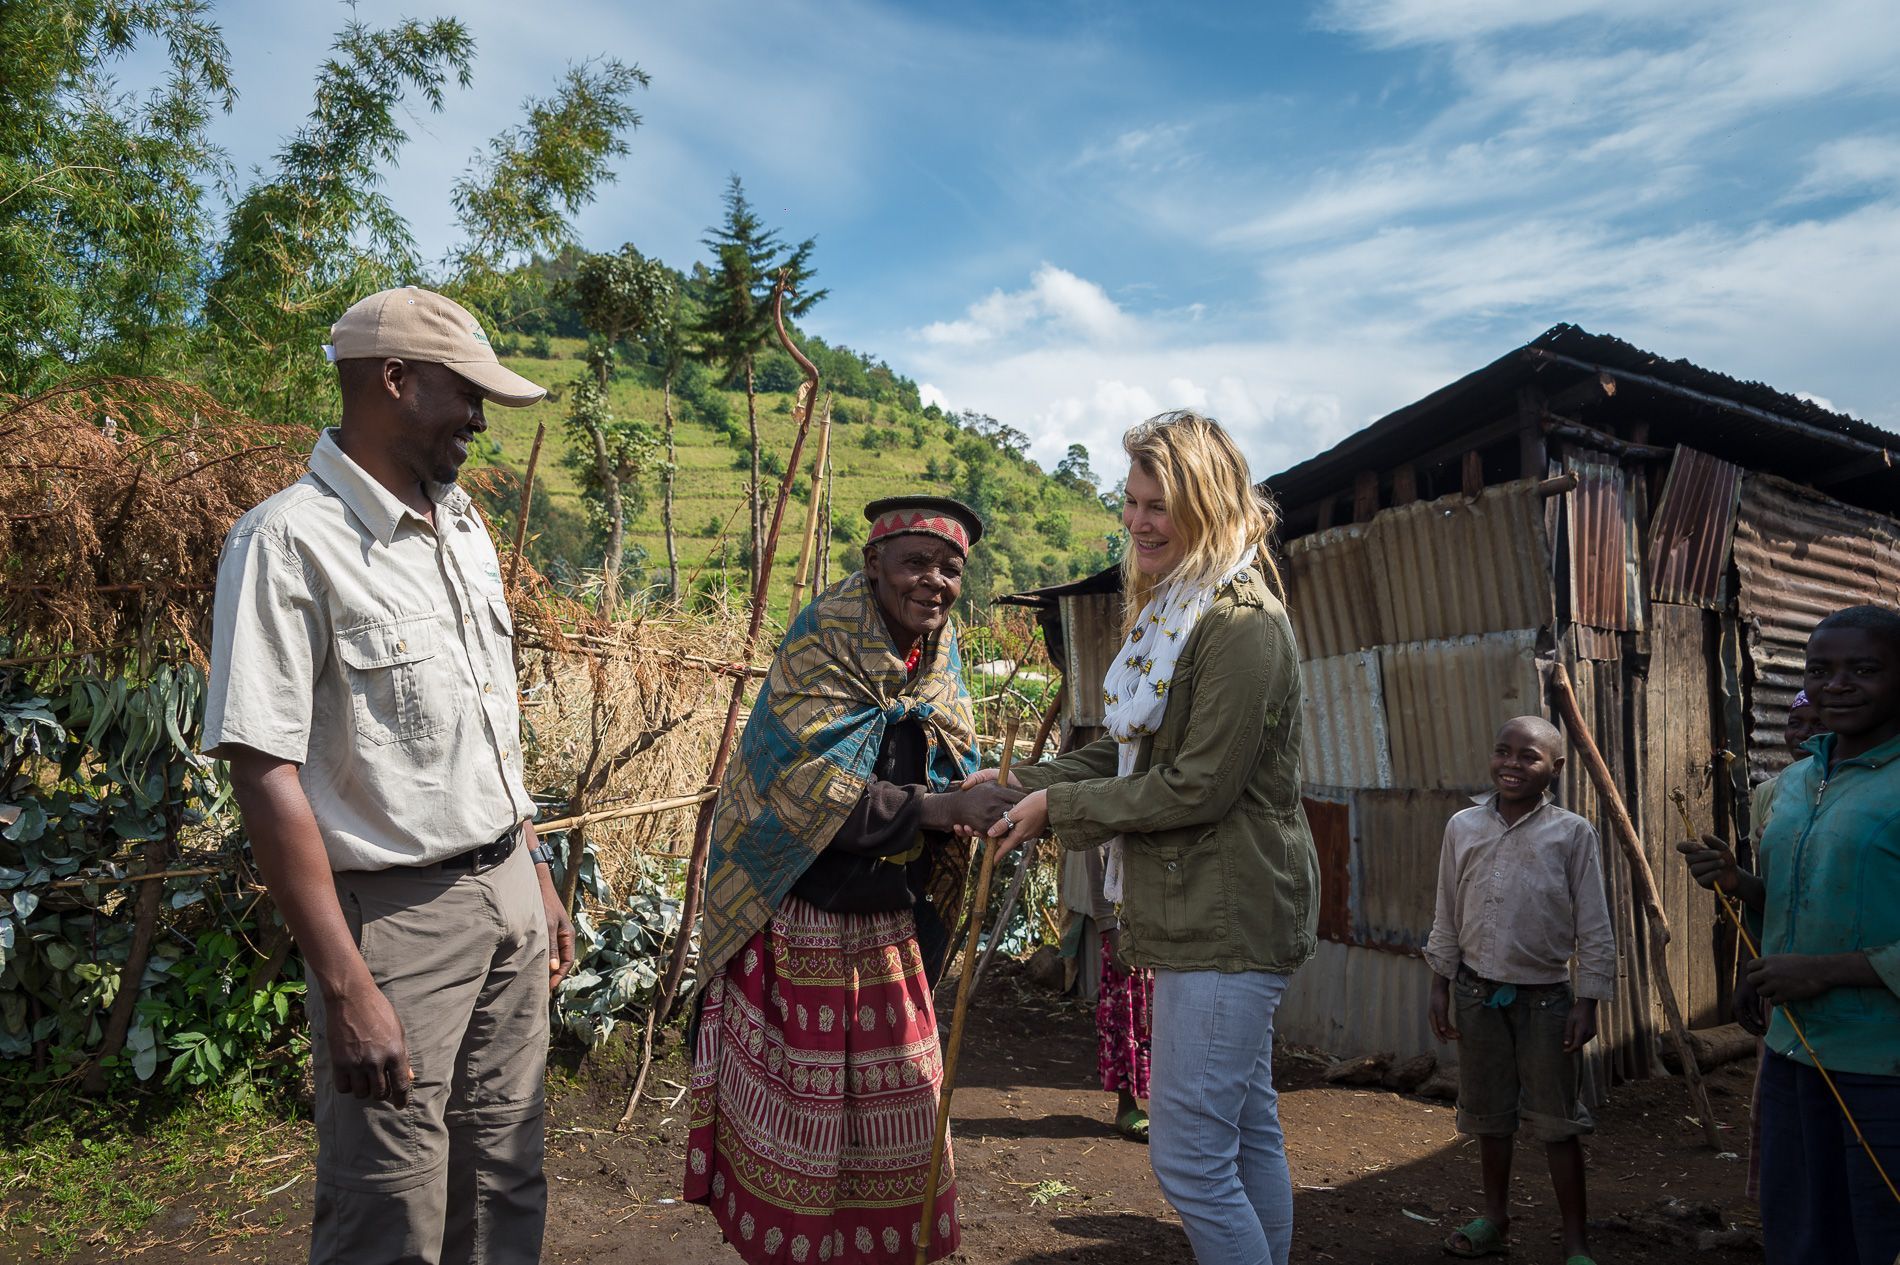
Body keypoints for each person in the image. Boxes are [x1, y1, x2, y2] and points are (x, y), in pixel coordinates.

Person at [204, 286, 573, 1265]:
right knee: (390, 1208)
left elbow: (489, 727)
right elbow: (264, 768)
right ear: (394, 379)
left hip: (506, 895)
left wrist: (531, 867)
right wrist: (345, 982)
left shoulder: (463, 531)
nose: (481, 419)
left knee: (506, 1175)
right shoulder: (287, 540)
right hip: (396, 924)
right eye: (467, 392)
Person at [976, 410, 1318, 1265]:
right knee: (1243, 1132)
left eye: (1156, 503)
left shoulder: (1240, 626)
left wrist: (1062, 811)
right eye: (1129, 501)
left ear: (1206, 502)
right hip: (1208, 907)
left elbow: (1195, 785)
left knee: (1190, 1158)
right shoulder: (1179, 609)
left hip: (1229, 916)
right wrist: (1022, 783)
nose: (1136, 521)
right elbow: (1126, 749)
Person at [683, 495, 1021, 1265]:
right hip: (803, 920)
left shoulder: (938, 655)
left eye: (950, 568)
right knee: (798, 1130)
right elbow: (802, 786)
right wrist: (940, 806)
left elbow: (945, 757)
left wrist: (983, 795)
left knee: (904, 1115)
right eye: (914, 563)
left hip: (888, 928)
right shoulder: (822, 642)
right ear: (873, 566)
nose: (933, 581)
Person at [1678, 604, 1900, 1265]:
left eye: (1864, 669)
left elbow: (1829, 946)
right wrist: (1743, 887)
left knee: (1877, 1236)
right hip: (1793, 1053)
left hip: (1881, 1064)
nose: (1837, 684)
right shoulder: (1794, 786)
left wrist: (1827, 970)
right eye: (1820, 670)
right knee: (1800, 1232)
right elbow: (1800, 903)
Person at [1423, 715, 1615, 1265]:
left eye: (1528, 756)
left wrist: (1589, 999)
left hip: (1547, 1001)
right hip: (1476, 994)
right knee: (1488, 1115)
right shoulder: (1463, 826)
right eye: (1503, 751)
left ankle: (1575, 1241)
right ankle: (1496, 1219)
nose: (1511, 764)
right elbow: (1446, 912)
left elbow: (1594, 925)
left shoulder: (1572, 833)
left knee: (1557, 1122)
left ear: (1554, 768)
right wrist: (1440, 984)